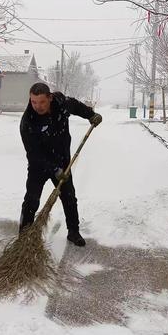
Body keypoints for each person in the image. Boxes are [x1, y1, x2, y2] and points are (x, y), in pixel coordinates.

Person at [19, 82, 102, 246]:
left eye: (42, 102)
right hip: (39, 165)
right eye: (34, 102)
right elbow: (34, 154)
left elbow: (76, 106)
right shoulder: (28, 121)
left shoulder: (60, 102)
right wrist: (53, 169)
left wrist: (90, 115)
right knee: (31, 200)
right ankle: (23, 237)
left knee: (69, 197)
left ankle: (73, 232)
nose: (37, 106)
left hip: (62, 160)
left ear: (50, 98)